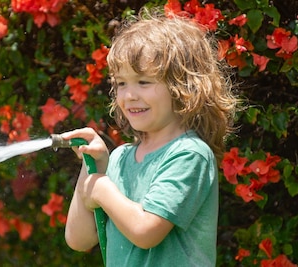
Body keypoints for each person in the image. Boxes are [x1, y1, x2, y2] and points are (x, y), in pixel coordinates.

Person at [60, 7, 238, 267]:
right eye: (121, 83)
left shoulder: (189, 154)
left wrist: (101, 188)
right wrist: (93, 167)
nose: (129, 94)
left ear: (182, 87)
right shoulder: (119, 158)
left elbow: (146, 230)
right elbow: (78, 239)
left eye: (143, 82)